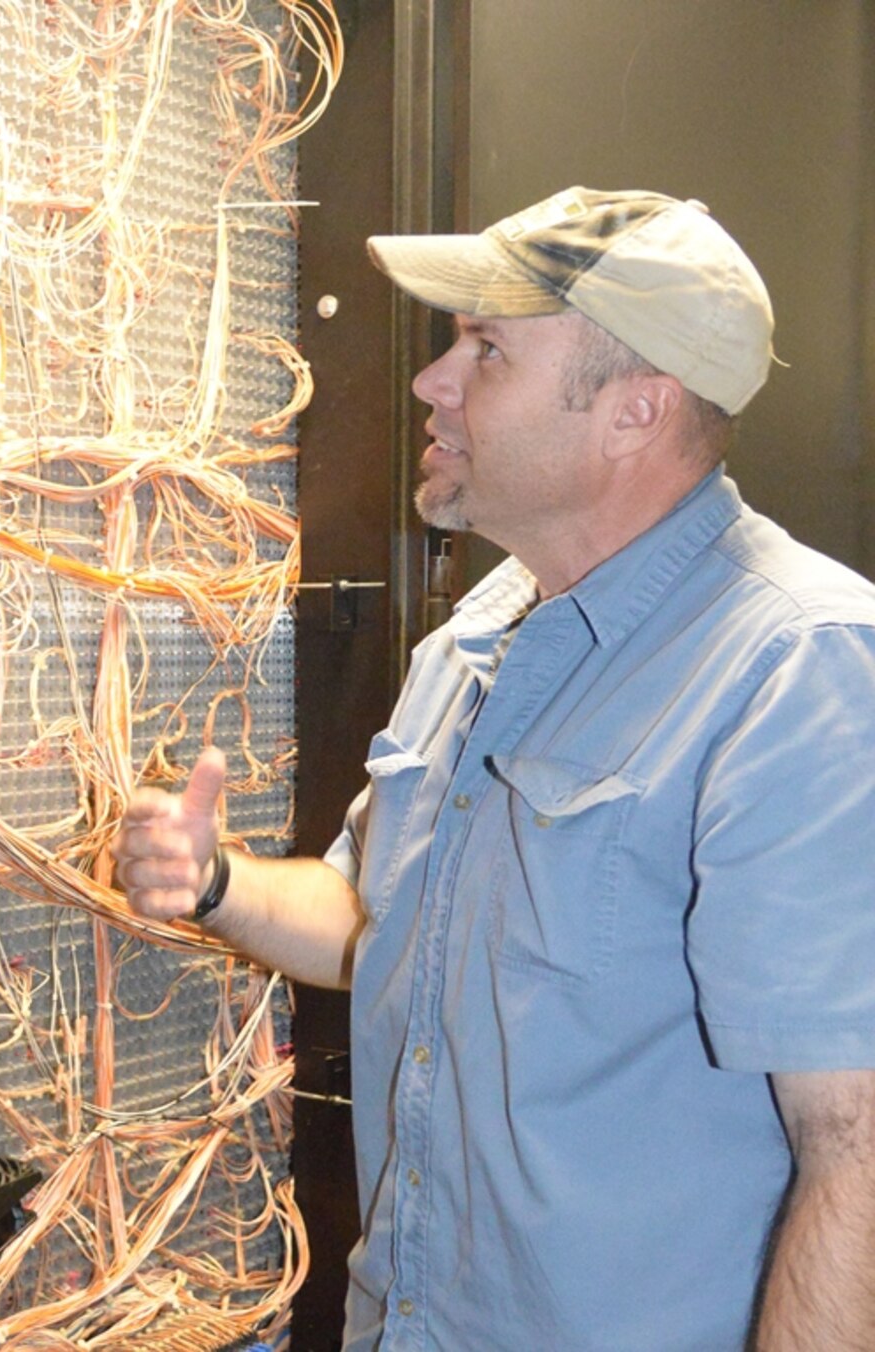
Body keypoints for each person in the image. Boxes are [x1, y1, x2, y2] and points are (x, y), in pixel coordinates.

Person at [113, 187, 875, 1350]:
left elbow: (854, 1154)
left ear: (634, 409)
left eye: (485, 348)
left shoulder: (797, 669)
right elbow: (372, 917)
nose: (432, 380)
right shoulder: (480, 634)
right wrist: (217, 879)